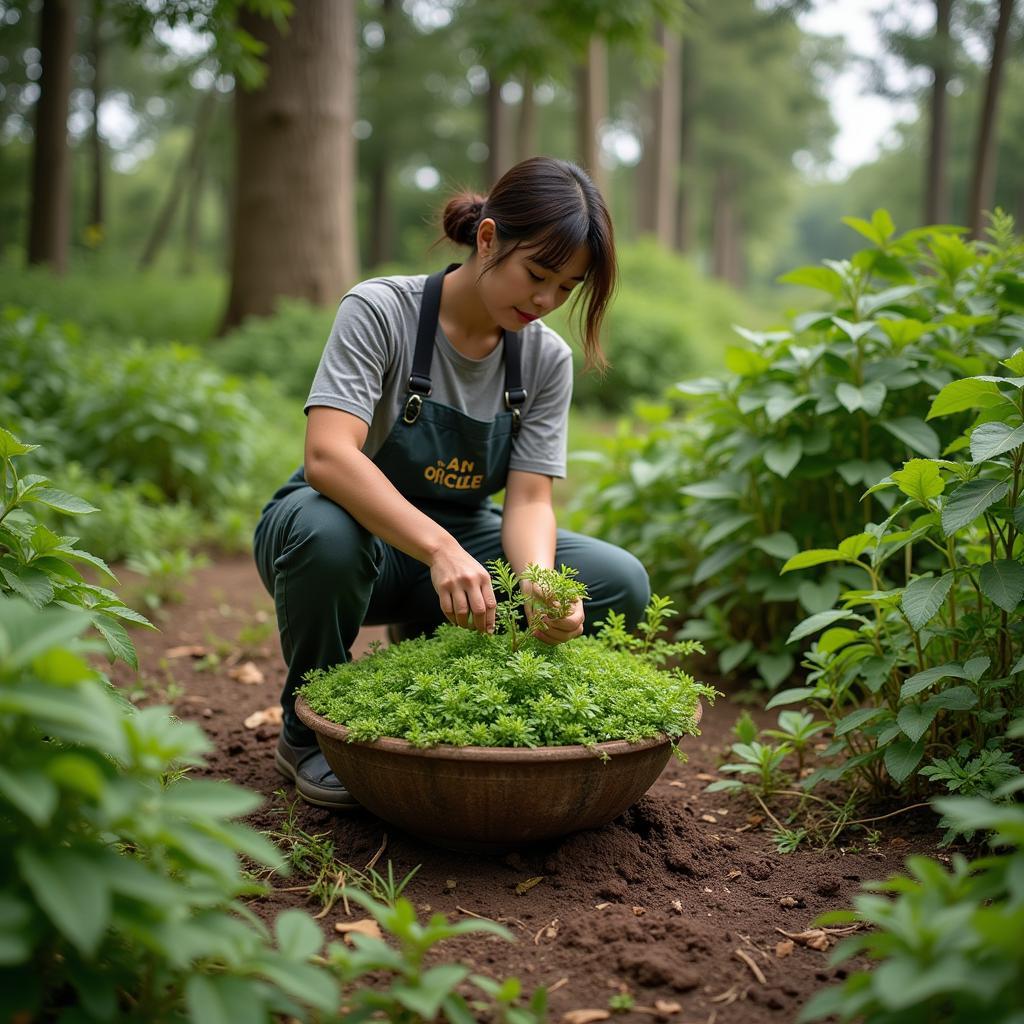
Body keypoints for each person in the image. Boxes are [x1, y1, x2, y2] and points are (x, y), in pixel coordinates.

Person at [254, 156, 651, 809]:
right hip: (350, 534)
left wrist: (540, 583)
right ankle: (306, 732)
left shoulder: (545, 358)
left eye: (568, 287)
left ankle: (456, 673)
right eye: (538, 275)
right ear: (488, 239)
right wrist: (439, 550)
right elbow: (328, 455)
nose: (546, 301)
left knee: (619, 582)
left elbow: (528, 499)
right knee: (326, 537)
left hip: (465, 543)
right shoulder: (382, 310)